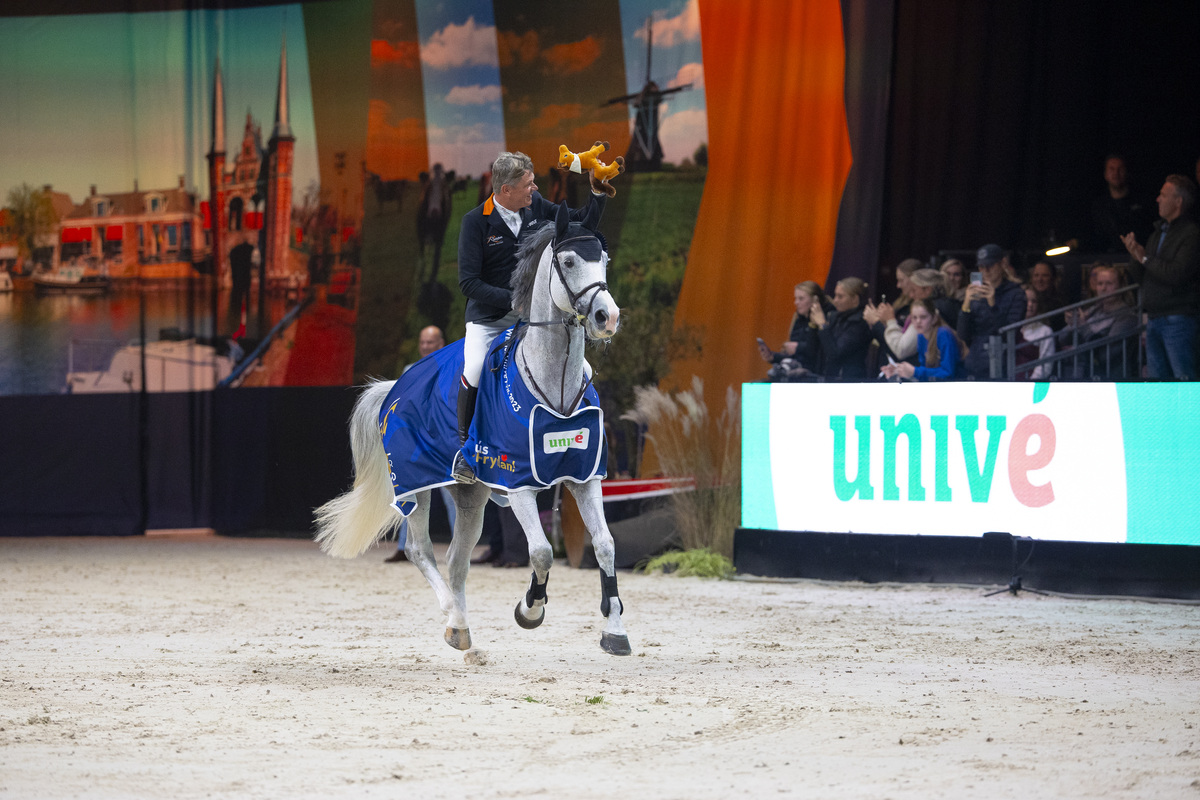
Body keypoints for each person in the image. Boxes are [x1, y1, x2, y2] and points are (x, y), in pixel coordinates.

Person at [453, 151, 608, 483]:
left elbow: (580, 222)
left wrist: (597, 193)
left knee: (584, 368)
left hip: (533, 319)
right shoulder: (475, 222)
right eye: (528, 183)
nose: (535, 188)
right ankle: (466, 452)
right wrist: (514, 302)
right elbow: (468, 282)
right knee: (475, 368)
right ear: (506, 190)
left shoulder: (535, 205)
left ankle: (581, 436)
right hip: (489, 319)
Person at [385, 325, 456, 563]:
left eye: (431, 343)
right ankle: (405, 548)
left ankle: (460, 547)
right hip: (418, 443)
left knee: (455, 499)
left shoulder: (452, 368)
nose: (426, 347)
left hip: (445, 442)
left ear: (441, 344)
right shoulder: (409, 370)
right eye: (423, 343)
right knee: (410, 495)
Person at [1122, 174, 1200, 380]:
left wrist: (1144, 258)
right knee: (1158, 385)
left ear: (1178, 202)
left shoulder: (1192, 234)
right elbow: (1144, 276)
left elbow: (1176, 273)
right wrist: (1134, 256)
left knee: (1184, 381)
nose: (1158, 199)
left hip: (1178, 318)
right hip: (1155, 318)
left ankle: (1190, 414)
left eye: (1163, 195)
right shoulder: (1158, 232)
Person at [956, 243, 1026, 380]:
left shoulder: (1016, 294)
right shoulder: (976, 295)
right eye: (981, 267)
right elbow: (963, 334)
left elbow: (1009, 333)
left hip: (1002, 365)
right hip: (975, 364)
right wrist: (966, 305)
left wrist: (992, 304)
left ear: (1002, 264)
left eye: (990, 266)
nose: (986, 271)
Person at [1057, 264, 1139, 379]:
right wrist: (1071, 324)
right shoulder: (1093, 310)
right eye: (1100, 284)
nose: (1103, 288)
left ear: (1121, 286)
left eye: (1109, 283)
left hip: (1113, 379)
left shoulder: (1127, 317)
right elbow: (1062, 338)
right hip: (1086, 375)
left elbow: (1105, 354)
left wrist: (1082, 327)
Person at [864, 268, 953, 363]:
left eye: (914, 290)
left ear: (927, 290)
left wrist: (889, 321)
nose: (911, 295)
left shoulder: (930, 311)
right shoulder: (944, 306)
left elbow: (902, 349)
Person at [879, 298, 967, 381]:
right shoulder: (921, 336)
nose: (918, 321)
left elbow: (948, 373)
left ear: (934, 318)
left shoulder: (943, 334)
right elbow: (925, 373)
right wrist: (899, 370)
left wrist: (914, 371)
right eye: (914, 317)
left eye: (923, 317)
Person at [757, 280, 825, 381]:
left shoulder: (824, 319)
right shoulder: (799, 320)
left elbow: (816, 351)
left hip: (816, 374)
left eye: (801, 299)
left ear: (815, 300)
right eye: (796, 298)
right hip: (797, 370)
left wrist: (797, 348)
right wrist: (773, 357)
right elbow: (797, 356)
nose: (796, 302)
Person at [813, 277, 870, 381]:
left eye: (840, 297)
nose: (835, 300)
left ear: (855, 299)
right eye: (835, 295)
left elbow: (835, 354)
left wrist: (822, 325)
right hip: (830, 377)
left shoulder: (860, 322)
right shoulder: (835, 316)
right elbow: (816, 349)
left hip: (848, 380)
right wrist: (812, 325)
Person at [1092, 155, 1152, 253]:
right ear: (1105, 174)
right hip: (1110, 259)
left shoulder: (1143, 201)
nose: (1116, 173)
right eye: (1112, 169)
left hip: (1141, 257)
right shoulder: (1099, 206)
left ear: (1126, 172)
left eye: (1120, 169)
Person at [1016, 285, 1056, 380]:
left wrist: (1031, 383)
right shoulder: (1011, 328)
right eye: (1026, 301)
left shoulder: (1045, 331)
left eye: (1034, 301)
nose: (1030, 304)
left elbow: (1045, 364)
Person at [227, 233, 255, 335]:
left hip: (237, 279)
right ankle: (243, 318)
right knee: (246, 298)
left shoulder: (234, 251)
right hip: (245, 278)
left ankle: (235, 319)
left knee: (236, 299)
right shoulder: (250, 249)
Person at [1028, 261, 1065, 330]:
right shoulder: (1025, 301)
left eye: (1045, 275)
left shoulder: (1060, 304)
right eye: (1036, 275)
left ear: (1053, 278)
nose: (1039, 279)